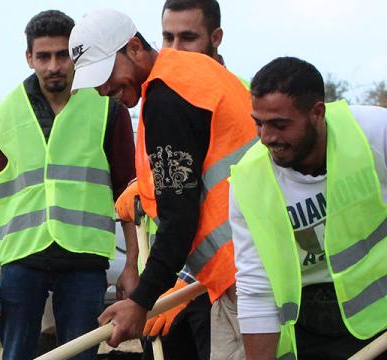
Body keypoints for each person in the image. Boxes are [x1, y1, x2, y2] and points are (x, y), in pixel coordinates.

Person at [69, 9, 258, 354]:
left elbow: (179, 216)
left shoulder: (167, 99)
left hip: (247, 275)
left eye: (106, 73)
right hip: (247, 266)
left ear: (135, 47)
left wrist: (141, 300)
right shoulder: (188, 76)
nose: (102, 89)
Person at [0, 10, 137, 360]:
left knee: (81, 354)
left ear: (75, 55)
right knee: (17, 354)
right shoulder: (8, 112)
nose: (53, 66)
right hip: (23, 257)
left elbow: (129, 192)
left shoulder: (107, 104)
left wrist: (132, 264)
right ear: (29, 57)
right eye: (44, 56)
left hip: (84, 258)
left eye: (63, 55)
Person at [231, 57, 387, 360]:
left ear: (317, 113)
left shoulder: (374, 133)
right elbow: (256, 287)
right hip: (310, 330)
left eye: (279, 124)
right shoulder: (249, 182)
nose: (266, 138)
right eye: (259, 123)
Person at [139, 1, 248, 359]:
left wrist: (180, 282)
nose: (173, 51)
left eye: (187, 38)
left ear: (215, 38)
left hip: (217, 280)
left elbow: (221, 207)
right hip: (173, 270)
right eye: (167, 38)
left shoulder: (239, 95)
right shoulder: (164, 97)